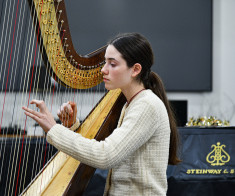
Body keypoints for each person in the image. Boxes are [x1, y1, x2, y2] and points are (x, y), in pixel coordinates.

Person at [22, 32, 180, 195]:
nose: (103, 70)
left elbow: (105, 155)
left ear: (135, 70)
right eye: (105, 63)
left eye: (112, 64)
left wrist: (53, 128)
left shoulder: (147, 105)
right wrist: (72, 126)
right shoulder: (132, 103)